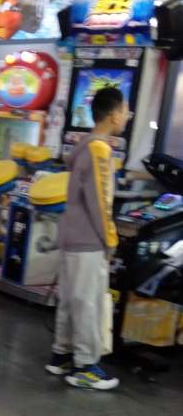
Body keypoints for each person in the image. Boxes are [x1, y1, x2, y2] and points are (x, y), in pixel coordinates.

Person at [46, 86, 130, 390]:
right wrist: (111, 239)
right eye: (125, 111)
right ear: (113, 114)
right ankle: (85, 367)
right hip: (89, 240)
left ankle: (61, 355)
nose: (127, 116)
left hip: (72, 236)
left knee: (70, 300)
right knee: (88, 303)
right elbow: (100, 201)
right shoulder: (99, 150)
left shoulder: (83, 145)